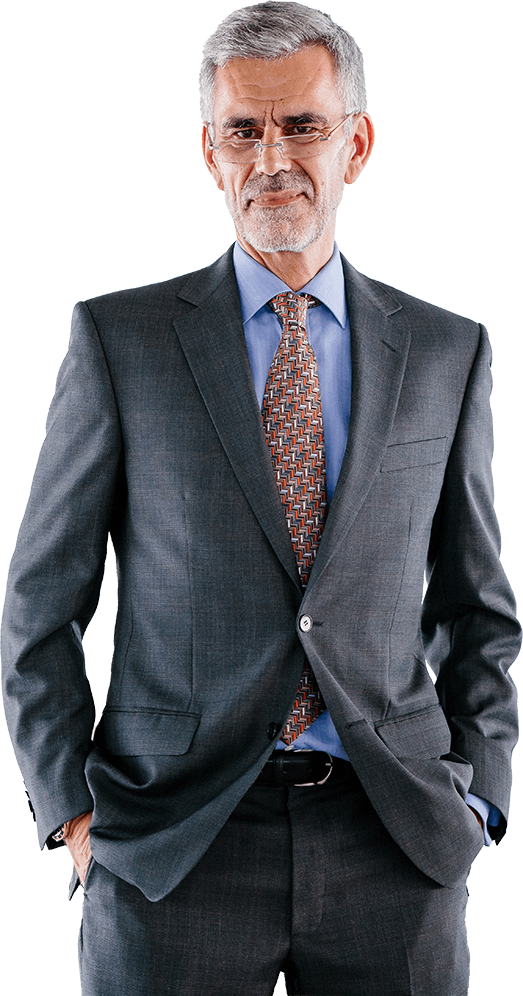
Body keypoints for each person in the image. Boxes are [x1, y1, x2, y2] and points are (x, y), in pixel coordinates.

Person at [2, 4, 520, 994]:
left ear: (355, 144)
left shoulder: (445, 348)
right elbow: (42, 599)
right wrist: (71, 810)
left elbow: (476, 600)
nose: (272, 158)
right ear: (210, 152)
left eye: (302, 126)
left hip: (394, 838)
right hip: (170, 842)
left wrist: (479, 793)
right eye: (244, 130)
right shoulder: (122, 338)